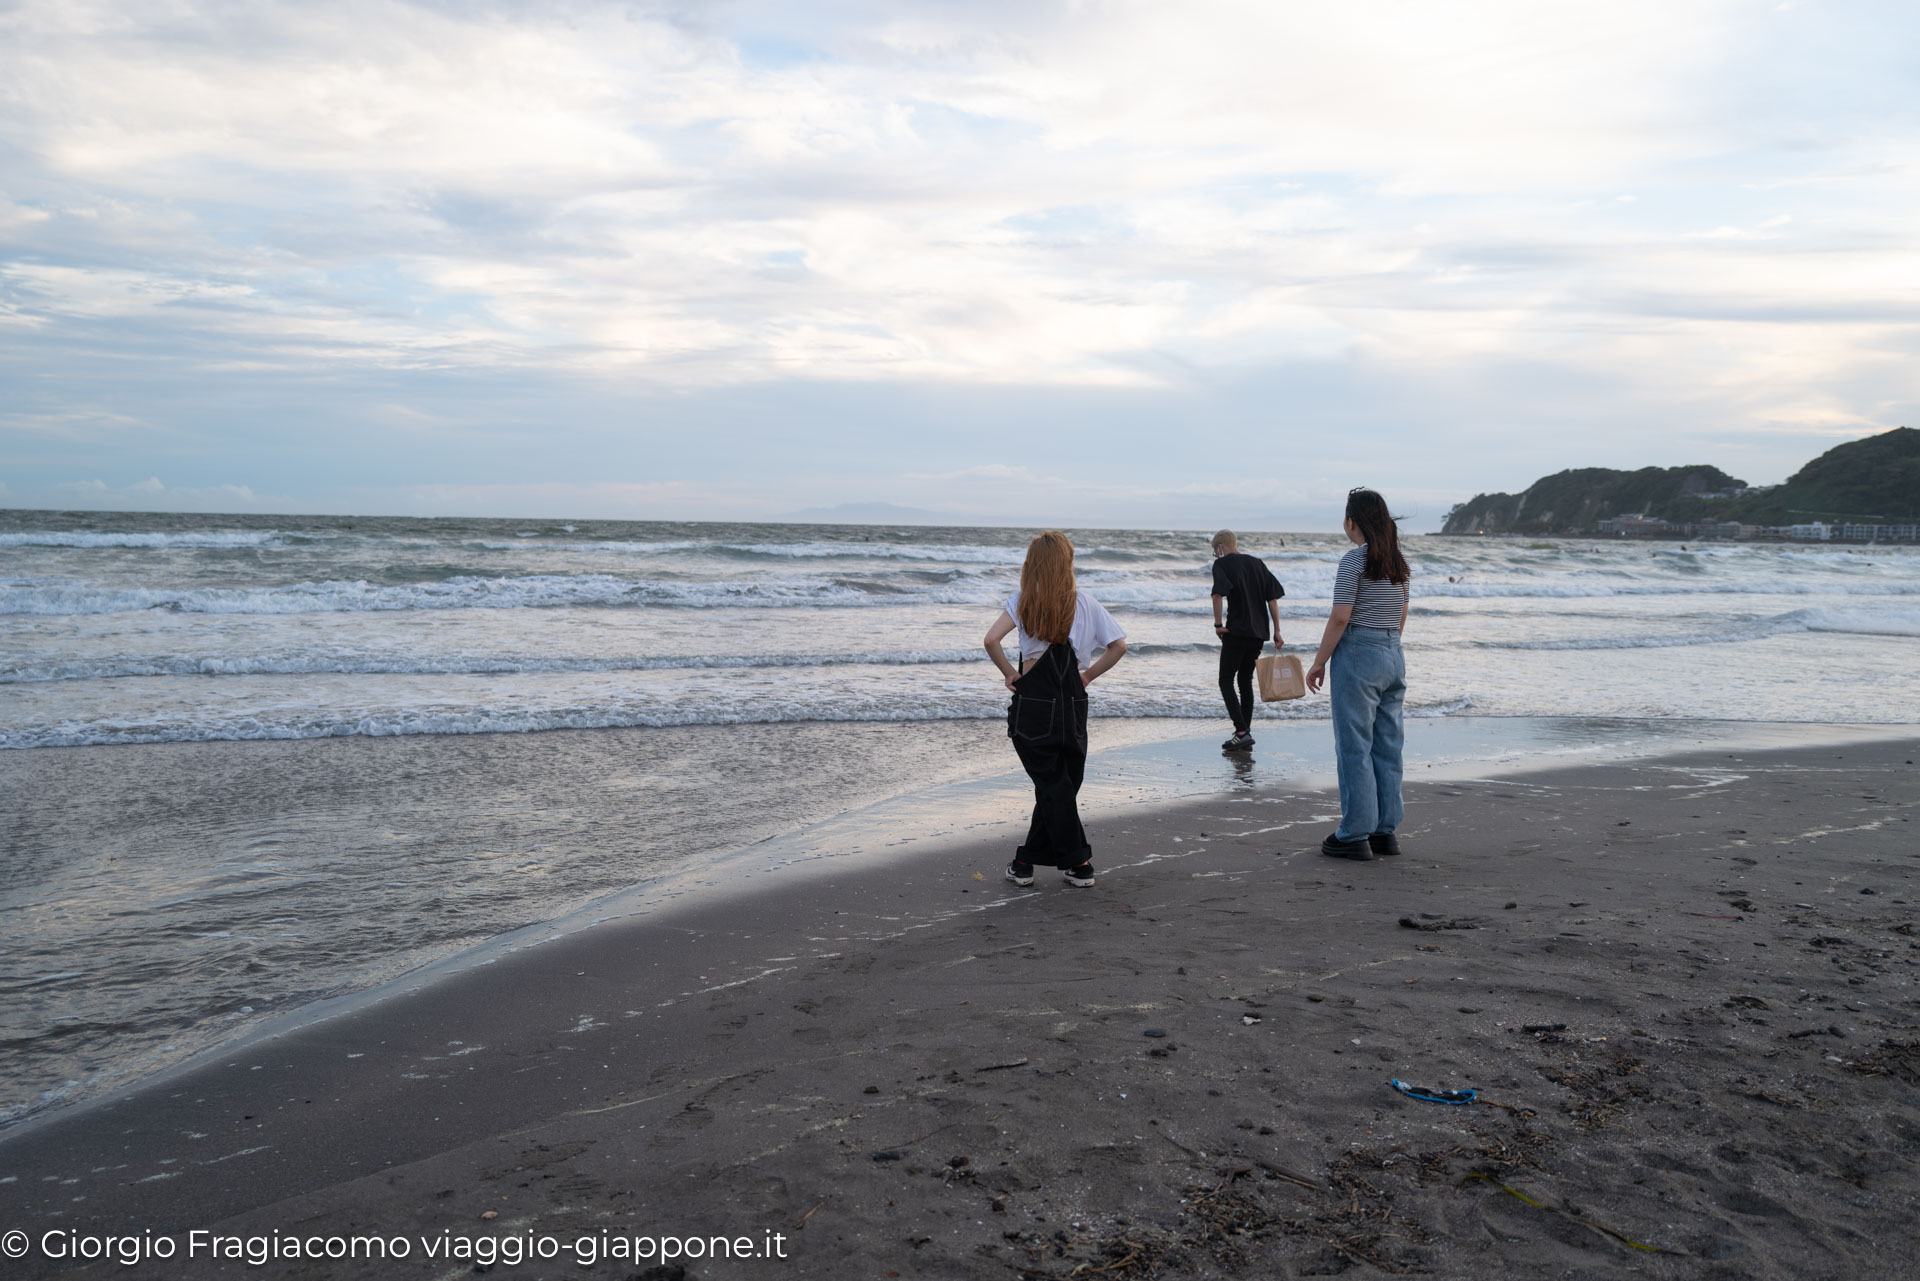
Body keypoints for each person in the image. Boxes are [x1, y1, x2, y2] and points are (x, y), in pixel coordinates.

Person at [984, 531, 1128, 888]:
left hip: (1035, 702)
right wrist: (1088, 675)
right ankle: (1029, 863)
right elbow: (1119, 646)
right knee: (1060, 784)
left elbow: (990, 640)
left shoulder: (1022, 601)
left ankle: (1078, 862)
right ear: (1067, 562)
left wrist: (1010, 674)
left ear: (1032, 564)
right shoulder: (1086, 603)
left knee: (1054, 785)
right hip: (1073, 703)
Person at [1305, 489, 1411, 860]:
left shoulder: (1354, 561)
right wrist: (1386, 647)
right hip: (1392, 652)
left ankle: (1353, 833)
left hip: (1360, 653)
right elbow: (1402, 613)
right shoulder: (1397, 562)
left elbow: (1340, 616)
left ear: (1353, 521)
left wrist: (1319, 661)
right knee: (1387, 744)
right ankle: (1384, 831)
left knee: (1354, 745)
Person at [1209, 530, 1284, 752]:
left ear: (1221, 547)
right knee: (1244, 681)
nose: (1216, 554)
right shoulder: (1257, 563)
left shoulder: (1221, 565)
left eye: (1215, 550)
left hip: (1237, 631)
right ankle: (1244, 733)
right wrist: (1277, 631)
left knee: (1225, 681)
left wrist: (1217, 624)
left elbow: (1217, 595)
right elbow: (1272, 599)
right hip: (1259, 634)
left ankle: (1241, 732)